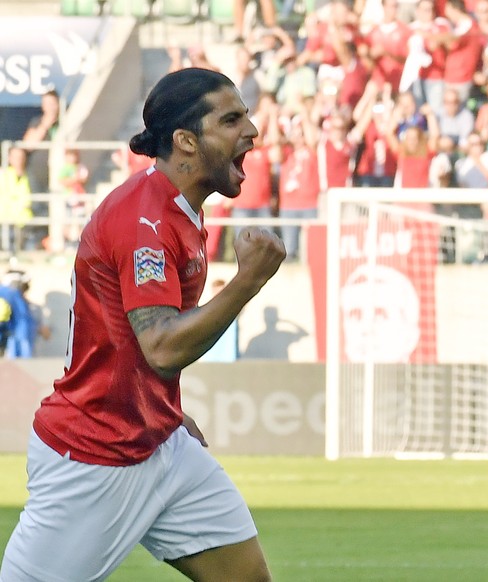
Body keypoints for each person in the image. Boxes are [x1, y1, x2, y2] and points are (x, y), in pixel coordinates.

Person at [0, 67, 285, 581]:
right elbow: (161, 346)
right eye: (232, 119)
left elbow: (135, 348)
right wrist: (248, 282)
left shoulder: (180, 210)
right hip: (92, 457)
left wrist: (163, 408)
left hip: (159, 443)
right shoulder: (143, 220)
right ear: (186, 141)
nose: (252, 130)